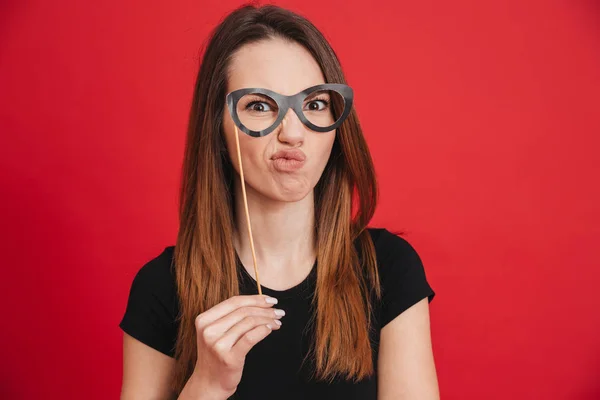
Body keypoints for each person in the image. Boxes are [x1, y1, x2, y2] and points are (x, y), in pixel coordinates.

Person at [119, 4, 439, 400]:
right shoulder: (162, 287)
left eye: (315, 104)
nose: (293, 132)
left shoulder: (388, 270)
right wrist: (207, 385)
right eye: (259, 106)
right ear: (217, 128)